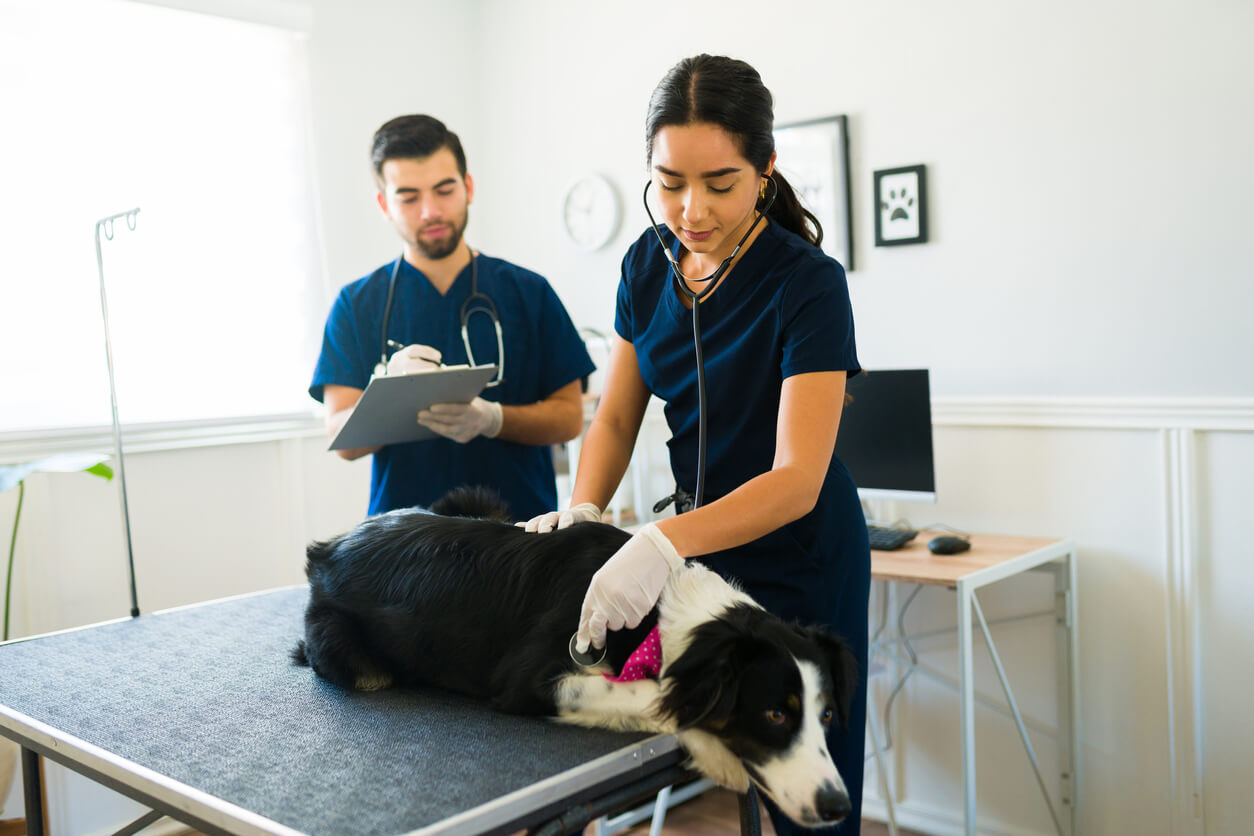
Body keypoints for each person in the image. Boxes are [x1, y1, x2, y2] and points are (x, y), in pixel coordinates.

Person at [523, 56, 870, 834]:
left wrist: (660, 541)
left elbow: (796, 478)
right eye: (670, 181)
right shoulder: (645, 266)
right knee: (709, 750)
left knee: (810, 794)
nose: (691, 209)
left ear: (765, 168)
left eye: (719, 183)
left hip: (802, 556)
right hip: (700, 558)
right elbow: (616, 419)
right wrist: (584, 509)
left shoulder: (808, 283)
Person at [311, 115, 594, 520]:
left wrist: (493, 419)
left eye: (444, 190)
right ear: (384, 205)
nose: (430, 211)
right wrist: (386, 392)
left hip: (519, 534)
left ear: (469, 188)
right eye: (408, 197)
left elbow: (568, 418)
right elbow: (342, 440)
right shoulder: (356, 305)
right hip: (404, 542)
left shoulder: (529, 292)